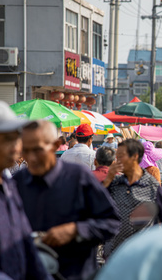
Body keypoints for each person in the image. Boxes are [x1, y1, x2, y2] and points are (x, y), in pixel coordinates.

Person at [15, 120, 120, 280]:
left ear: (56, 145)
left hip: (75, 273)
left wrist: (75, 230)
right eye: (26, 150)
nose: (31, 157)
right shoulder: (17, 182)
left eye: (38, 150)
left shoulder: (80, 178)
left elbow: (112, 223)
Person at [0, 101, 52, 280]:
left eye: (17, 138)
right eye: (7, 139)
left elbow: (26, 244)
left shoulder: (9, 185)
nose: (16, 147)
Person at [103, 139, 162, 256]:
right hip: (116, 252)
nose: (117, 160)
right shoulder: (114, 184)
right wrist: (109, 178)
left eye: (121, 156)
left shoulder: (151, 185)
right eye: (117, 156)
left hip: (143, 253)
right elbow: (97, 204)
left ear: (135, 157)